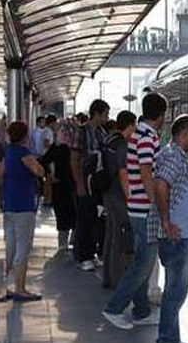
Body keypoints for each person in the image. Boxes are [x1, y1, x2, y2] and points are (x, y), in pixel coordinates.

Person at [102, 93, 166, 330]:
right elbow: (146, 170)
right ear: (161, 115)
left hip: (136, 207)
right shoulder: (148, 137)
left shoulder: (138, 134)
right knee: (143, 264)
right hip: (145, 208)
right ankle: (114, 308)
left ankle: (141, 311)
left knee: (142, 261)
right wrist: (156, 202)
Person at [152, 114, 188, 343]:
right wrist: (166, 222)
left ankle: (173, 337)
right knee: (175, 290)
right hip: (176, 234)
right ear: (185, 133)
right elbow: (161, 184)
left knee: (178, 289)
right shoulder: (173, 156)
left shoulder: (178, 155)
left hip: (182, 232)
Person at [0, 121, 46, 302]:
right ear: (25, 136)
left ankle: (9, 286)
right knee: (23, 247)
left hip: (9, 204)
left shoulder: (7, 152)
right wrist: (40, 167)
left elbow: (1, 172)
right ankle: (20, 288)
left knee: (10, 247)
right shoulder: (23, 153)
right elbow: (39, 171)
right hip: (23, 205)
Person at [71, 100, 110, 271]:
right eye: (105, 114)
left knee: (96, 219)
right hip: (85, 181)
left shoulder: (102, 133)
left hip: (97, 183)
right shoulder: (81, 131)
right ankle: (84, 256)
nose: (107, 118)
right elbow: (74, 159)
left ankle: (93, 252)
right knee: (84, 218)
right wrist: (79, 183)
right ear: (97, 114)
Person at [102, 111, 136, 288]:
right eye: (134, 126)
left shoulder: (109, 140)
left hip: (107, 192)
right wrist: (129, 196)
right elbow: (123, 173)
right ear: (130, 125)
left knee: (110, 235)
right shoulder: (122, 146)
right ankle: (117, 279)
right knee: (120, 236)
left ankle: (107, 275)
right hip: (118, 195)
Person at [39, 121, 77, 255]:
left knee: (68, 216)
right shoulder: (65, 148)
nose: (65, 135)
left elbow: (44, 161)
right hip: (66, 186)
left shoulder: (64, 148)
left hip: (66, 186)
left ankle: (67, 244)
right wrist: (49, 175)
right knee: (67, 216)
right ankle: (66, 244)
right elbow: (44, 161)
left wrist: (49, 175)